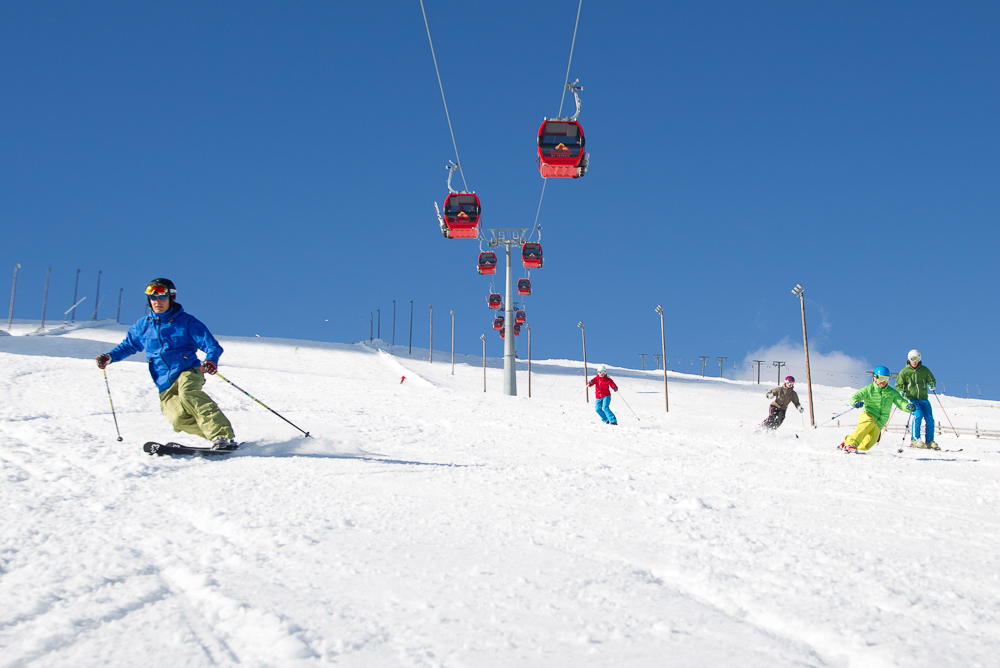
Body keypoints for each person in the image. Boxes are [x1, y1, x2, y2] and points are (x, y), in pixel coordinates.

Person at [95, 278, 238, 450]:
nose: (157, 302)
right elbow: (129, 346)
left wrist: (210, 360)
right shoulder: (143, 326)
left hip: (187, 370)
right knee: (178, 419)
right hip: (163, 380)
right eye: (153, 298)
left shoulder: (186, 322)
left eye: (161, 298)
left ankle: (221, 435)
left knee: (189, 395)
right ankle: (215, 438)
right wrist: (110, 357)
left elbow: (212, 345)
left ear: (171, 298)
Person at [839, 366, 914, 453]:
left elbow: (901, 402)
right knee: (868, 423)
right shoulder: (869, 389)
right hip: (868, 414)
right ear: (875, 378)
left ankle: (846, 443)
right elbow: (855, 397)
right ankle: (850, 444)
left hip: (880, 421)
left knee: (866, 445)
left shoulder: (891, 392)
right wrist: (856, 402)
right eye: (882, 378)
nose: (884, 381)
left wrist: (908, 406)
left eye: (886, 379)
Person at [895, 349, 938, 449]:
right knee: (918, 415)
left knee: (929, 418)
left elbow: (931, 379)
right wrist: (901, 391)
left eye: (917, 359)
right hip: (912, 398)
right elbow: (899, 384)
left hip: (923, 398)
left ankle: (930, 441)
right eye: (912, 359)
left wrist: (932, 384)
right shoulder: (904, 372)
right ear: (908, 359)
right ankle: (915, 439)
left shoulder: (924, 370)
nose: (914, 361)